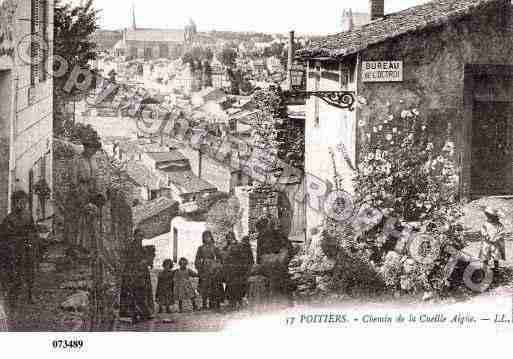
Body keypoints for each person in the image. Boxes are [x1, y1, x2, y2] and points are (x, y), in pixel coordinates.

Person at [0, 190, 39, 309]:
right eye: (19, 202)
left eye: (24, 202)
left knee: (31, 271)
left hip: (28, 248)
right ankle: (14, 299)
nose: (22, 204)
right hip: (15, 251)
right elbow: (4, 237)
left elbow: (33, 230)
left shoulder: (28, 215)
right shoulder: (9, 219)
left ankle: (31, 294)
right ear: (14, 203)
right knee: (16, 274)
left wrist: (32, 238)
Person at [254, 216, 294, 306]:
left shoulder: (262, 236)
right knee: (280, 282)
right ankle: (284, 303)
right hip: (278, 264)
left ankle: (274, 304)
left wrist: (260, 264)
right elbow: (289, 248)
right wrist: (284, 258)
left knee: (273, 284)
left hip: (270, 264)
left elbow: (259, 255)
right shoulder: (277, 234)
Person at [122, 229, 154, 324]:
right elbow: (128, 260)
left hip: (141, 274)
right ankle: (134, 315)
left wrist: (147, 261)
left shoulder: (141, 248)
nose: (140, 238)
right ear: (134, 236)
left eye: (142, 236)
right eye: (139, 236)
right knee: (133, 294)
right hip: (133, 273)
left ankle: (143, 313)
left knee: (141, 293)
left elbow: (147, 258)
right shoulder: (131, 247)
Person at [194, 230, 224, 311]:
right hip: (204, 269)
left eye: (208, 237)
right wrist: (199, 267)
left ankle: (214, 303)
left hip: (213, 269)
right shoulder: (200, 248)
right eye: (205, 237)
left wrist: (218, 266)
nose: (207, 239)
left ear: (211, 238)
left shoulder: (215, 248)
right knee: (204, 286)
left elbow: (220, 258)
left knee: (214, 285)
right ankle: (204, 304)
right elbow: (197, 259)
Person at [224, 240, 254, 311]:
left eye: (236, 247)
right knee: (232, 289)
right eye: (233, 247)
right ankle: (233, 303)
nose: (235, 249)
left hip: (238, 277)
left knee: (238, 290)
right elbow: (226, 266)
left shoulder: (241, 257)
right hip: (232, 277)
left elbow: (244, 266)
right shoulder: (229, 257)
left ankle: (238, 303)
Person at [479, 207, 507, 282]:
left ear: (495, 217)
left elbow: (502, 232)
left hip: (495, 243)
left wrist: (496, 238)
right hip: (487, 243)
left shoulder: (499, 225)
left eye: (491, 216)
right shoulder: (485, 224)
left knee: (496, 256)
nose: (489, 217)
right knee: (485, 255)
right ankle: (485, 270)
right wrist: (487, 237)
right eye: (488, 215)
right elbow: (483, 231)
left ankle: (496, 270)